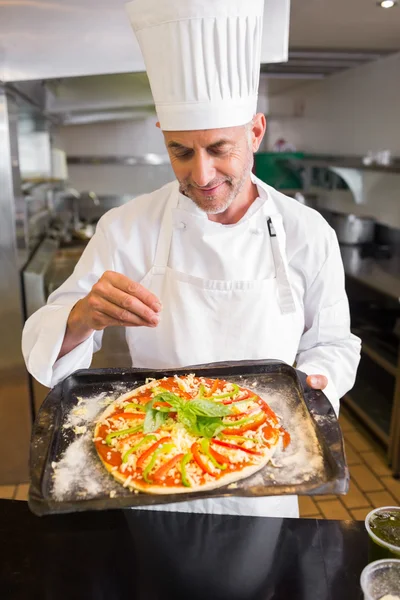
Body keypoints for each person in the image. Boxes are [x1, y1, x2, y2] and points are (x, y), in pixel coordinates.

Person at [22, 0, 360, 518]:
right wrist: (81, 316)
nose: (201, 175)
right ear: (163, 137)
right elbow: (45, 340)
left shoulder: (306, 232)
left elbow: (334, 343)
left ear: (255, 132)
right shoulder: (126, 226)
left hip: (263, 468)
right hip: (149, 454)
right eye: (181, 151)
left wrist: (311, 385)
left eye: (220, 149)